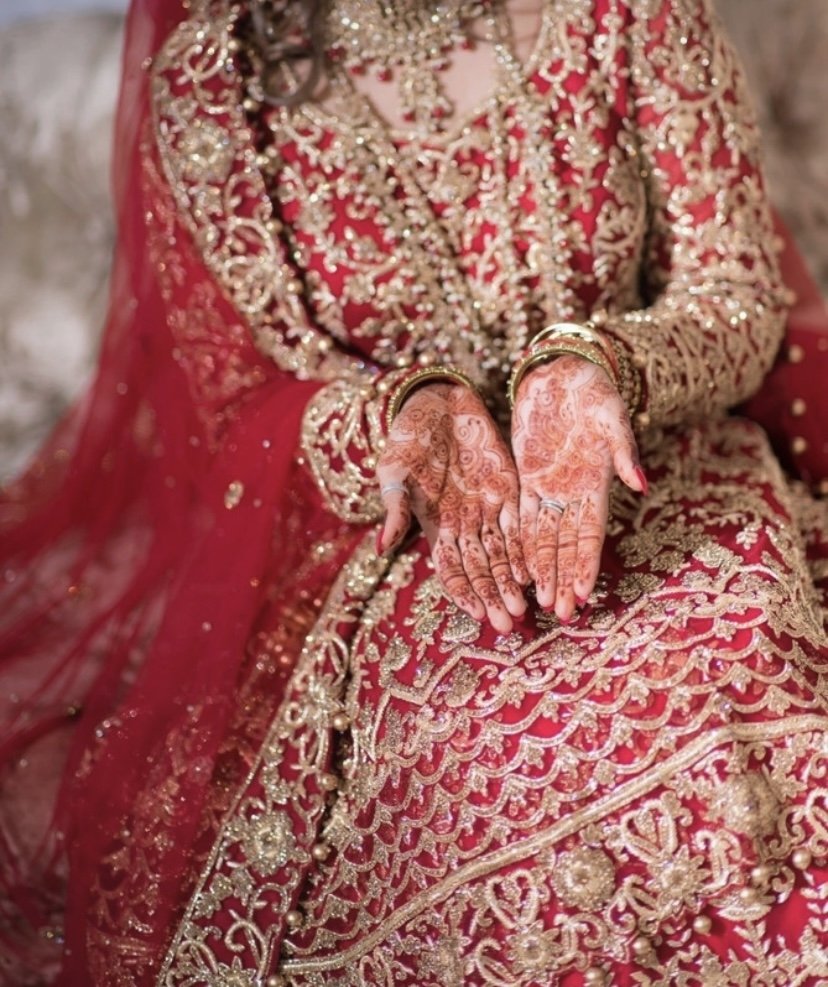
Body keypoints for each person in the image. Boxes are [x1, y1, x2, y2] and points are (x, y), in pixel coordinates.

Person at [1, 0, 827, 984]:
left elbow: (736, 292)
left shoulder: (625, 13)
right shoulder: (216, 93)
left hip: (662, 456)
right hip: (416, 540)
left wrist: (598, 367)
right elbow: (234, 410)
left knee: (729, 682)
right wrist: (399, 419)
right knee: (482, 763)